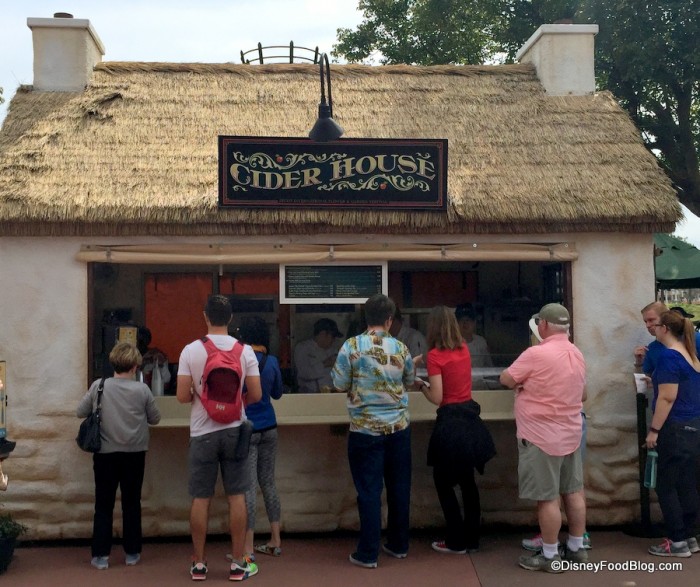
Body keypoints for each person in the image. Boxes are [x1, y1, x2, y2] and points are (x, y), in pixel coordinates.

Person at [176, 294, 262, 582]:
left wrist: (204, 399)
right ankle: (238, 563)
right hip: (235, 430)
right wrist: (233, 405)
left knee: (201, 498)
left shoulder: (190, 350)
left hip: (202, 431)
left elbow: (180, 396)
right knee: (236, 496)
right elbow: (258, 394)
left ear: (205, 316)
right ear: (231, 318)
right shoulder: (245, 351)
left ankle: (199, 564)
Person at [499, 303, 588, 573]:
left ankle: (550, 555)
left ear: (544, 325)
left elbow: (505, 379)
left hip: (540, 436)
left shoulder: (535, 353)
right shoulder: (576, 353)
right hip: (571, 433)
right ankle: (576, 547)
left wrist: (525, 385)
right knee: (573, 492)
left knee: (547, 498)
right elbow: (583, 394)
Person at [331, 294, 415, 568]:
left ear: (366, 318)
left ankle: (368, 553)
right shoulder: (402, 348)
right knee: (399, 488)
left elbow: (339, 383)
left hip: (365, 431)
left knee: (369, 491)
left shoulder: (351, 346)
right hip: (398, 428)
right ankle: (399, 544)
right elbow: (410, 381)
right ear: (390, 320)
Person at [76, 342, 161, 571]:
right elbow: (155, 418)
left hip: (105, 454)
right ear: (135, 366)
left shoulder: (99, 386)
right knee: (132, 503)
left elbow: (80, 411)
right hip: (134, 453)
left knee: (103, 504)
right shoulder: (142, 390)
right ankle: (132, 552)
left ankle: (100, 556)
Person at [419, 306, 495, 555]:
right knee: (467, 482)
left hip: (450, 422)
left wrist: (420, 385)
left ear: (433, 328)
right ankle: (472, 538)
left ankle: (455, 540)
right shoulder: (463, 349)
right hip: (470, 419)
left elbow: (437, 396)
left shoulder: (435, 356)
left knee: (442, 482)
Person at [644, 310, 700, 557]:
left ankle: (676, 540)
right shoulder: (690, 355)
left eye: (655, 324)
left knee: (665, 485)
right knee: (687, 484)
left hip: (674, 427)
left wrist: (654, 430)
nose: (652, 328)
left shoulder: (668, 356)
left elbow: (667, 397)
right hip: (693, 426)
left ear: (665, 328)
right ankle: (690, 536)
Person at [237, 316, 284, 560]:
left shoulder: (239, 359)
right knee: (268, 483)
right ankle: (275, 540)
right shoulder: (272, 361)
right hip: (270, 426)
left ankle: (247, 548)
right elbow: (278, 393)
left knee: (248, 488)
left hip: (247, 429)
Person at [634, 302, 700, 375]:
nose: (647, 325)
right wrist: (639, 363)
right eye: (645, 321)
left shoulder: (695, 339)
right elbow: (646, 378)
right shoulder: (652, 348)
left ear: (665, 318)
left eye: (651, 320)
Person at [294, 318, 343, 393]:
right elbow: (304, 373)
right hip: (310, 394)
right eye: (332, 337)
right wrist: (326, 364)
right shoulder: (303, 348)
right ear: (323, 334)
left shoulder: (335, 349)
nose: (333, 340)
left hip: (334, 393)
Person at [455, 304, 493, 368]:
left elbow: (489, 365)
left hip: (479, 378)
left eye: (468, 320)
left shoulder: (481, 342)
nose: (465, 323)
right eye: (461, 320)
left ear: (474, 322)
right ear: (456, 323)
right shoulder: (450, 342)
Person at [136, 327, 171, 394]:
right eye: (139, 340)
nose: (141, 343)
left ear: (148, 341)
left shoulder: (156, 355)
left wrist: (160, 364)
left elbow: (166, 380)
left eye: (143, 340)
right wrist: (141, 362)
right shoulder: (130, 357)